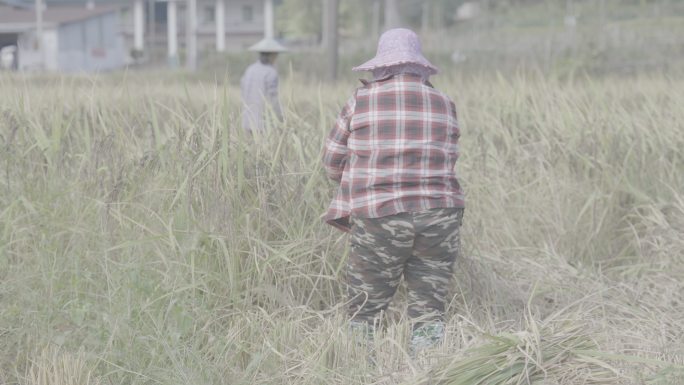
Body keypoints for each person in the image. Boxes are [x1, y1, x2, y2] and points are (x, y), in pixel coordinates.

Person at [322, 28, 465, 356]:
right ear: (419, 67)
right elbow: (450, 155)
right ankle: (427, 367)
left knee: (366, 305)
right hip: (441, 214)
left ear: (382, 66)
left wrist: (355, 181)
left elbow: (331, 160)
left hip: (380, 215)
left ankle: (359, 367)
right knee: (429, 304)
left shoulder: (361, 100)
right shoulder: (445, 102)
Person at [240, 38, 287, 131]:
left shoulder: (250, 69)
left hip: (247, 121)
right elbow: (273, 99)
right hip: (262, 124)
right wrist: (281, 118)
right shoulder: (271, 72)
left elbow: (243, 91)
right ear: (272, 55)